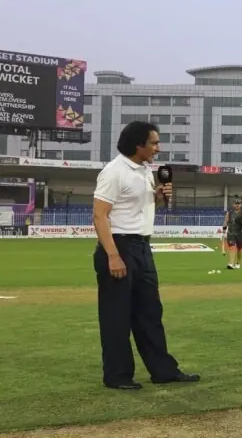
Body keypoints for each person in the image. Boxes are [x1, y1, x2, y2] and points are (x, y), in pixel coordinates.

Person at [92, 120, 199, 390]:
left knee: (150, 313)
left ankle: (163, 371)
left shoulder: (145, 171)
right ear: (138, 144)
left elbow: (137, 208)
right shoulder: (114, 172)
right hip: (119, 247)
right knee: (116, 316)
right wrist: (113, 256)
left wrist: (159, 196)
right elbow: (100, 216)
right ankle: (118, 376)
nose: (158, 148)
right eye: (154, 143)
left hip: (142, 247)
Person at [223, 198, 242, 269]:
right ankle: (231, 263)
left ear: (240, 205)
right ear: (233, 204)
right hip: (231, 233)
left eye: (238, 204)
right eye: (236, 204)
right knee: (231, 247)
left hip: (239, 233)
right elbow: (225, 221)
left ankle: (237, 263)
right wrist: (224, 230)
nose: (237, 205)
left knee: (239, 249)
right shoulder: (229, 213)